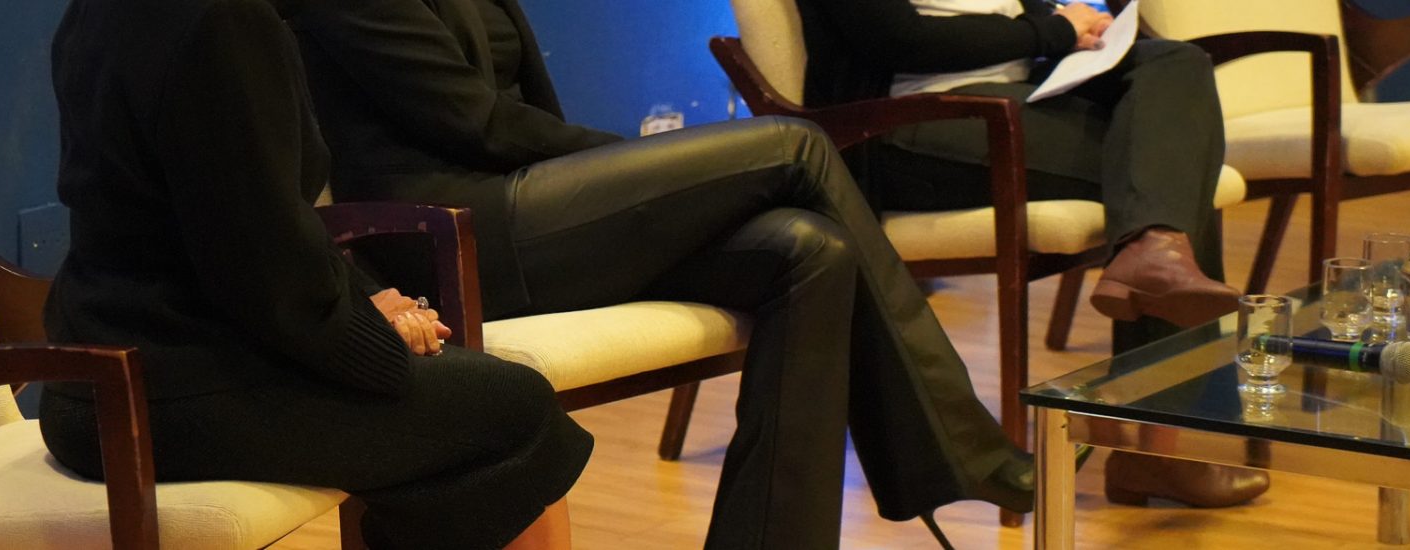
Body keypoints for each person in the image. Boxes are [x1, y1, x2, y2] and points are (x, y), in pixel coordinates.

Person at [289, 0, 1055, 546]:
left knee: (810, 250)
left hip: (527, 207)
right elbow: (472, 122)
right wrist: (632, 156)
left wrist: (627, 163)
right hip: (451, 229)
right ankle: (967, 452)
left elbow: (519, 110)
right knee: (794, 146)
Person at [34, 0, 591, 548]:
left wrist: (365, 305)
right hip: (165, 392)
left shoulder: (97, 12)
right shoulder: (222, 19)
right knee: (515, 408)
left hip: (97, 382)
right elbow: (262, 266)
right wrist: (378, 345)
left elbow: (244, 233)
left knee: (463, 430)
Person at [790, 0, 1268, 507]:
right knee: (1169, 159)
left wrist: (1083, 27)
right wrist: (1053, 31)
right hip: (910, 121)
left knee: (1177, 64)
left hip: (1024, 95)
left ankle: (1154, 273)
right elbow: (901, 39)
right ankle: (1156, 450)